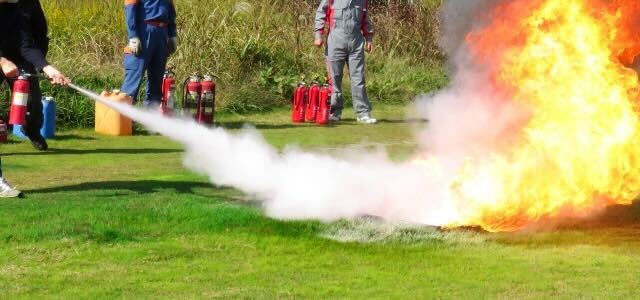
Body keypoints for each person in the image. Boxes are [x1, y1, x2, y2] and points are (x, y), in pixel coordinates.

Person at [0, 0, 70, 197]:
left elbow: (26, 44)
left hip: (16, 62)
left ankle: (31, 130)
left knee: (32, 100)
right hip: (3, 61)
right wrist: (2, 61)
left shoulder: (13, 9)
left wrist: (48, 68)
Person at [314, 0, 377, 124]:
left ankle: (363, 114)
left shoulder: (362, 1)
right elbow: (321, 13)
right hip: (336, 42)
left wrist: (369, 39)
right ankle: (334, 112)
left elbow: (365, 20)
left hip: (356, 44)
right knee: (334, 79)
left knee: (358, 79)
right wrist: (318, 36)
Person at [120, 0, 178, 107]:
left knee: (157, 79)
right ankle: (124, 120)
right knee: (134, 75)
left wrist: (172, 34)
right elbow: (130, 9)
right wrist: (133, 36)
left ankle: (151, 118)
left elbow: (170, 11)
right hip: (144, 32)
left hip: (162, 33)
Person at [13, 0, 50, 151]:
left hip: (23, 57)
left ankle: (32, 131)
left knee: (33, 100)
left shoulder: (30, 2)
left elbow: (40, 31)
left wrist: (43, 65)